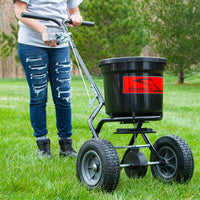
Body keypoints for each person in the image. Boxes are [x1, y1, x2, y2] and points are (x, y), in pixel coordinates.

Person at [13, 0, 83, 158]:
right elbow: (20, 13)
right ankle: (43, 147)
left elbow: (74, 11)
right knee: (39, 95)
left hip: (60, 45)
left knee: (63, 96)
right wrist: (43, 29)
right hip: (32, 44)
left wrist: (76, 17)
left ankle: (66, 146)